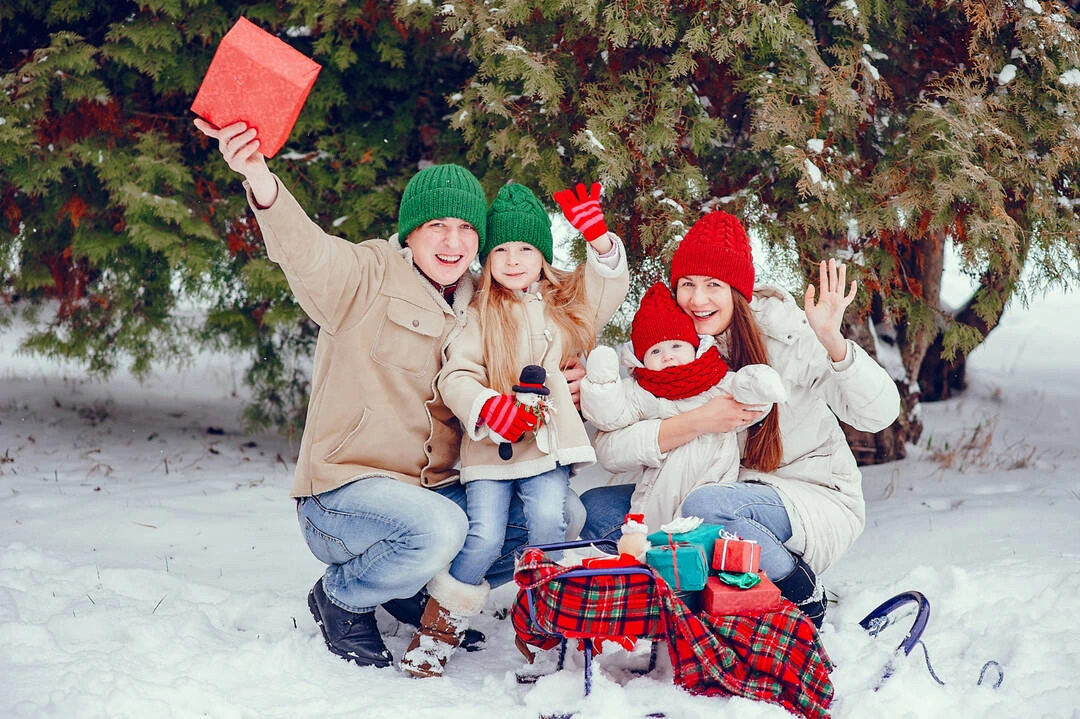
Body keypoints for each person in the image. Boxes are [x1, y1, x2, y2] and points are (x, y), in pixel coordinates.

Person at [192, 119, 587, 669]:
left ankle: (409, 594)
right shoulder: (365, 275)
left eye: (466, 230)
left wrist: (571, 377)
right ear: (410, 232)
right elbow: (305, 251)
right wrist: (259, 177)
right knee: (443, 527)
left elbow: (549, 333)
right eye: (437, 227)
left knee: (556, 512)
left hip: (434, 490)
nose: (453, 243)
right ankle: (342, 598)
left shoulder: (484, 302)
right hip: (344, 496)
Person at [579, 211, 901, 627]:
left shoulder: (784, 339)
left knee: (705, 508)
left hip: (807, 496)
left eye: (713, 285)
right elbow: (609, 445)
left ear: (737, 291)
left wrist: (833, 343)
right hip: (711, 490)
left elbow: (878, 414)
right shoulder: (668, 351)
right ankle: (687, 602)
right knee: (595, 512)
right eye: (687, 285)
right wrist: (698, 421)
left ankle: (801, 595)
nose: (698, 300)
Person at [399, 182, 629, 677]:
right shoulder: (478, 312)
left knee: (549, 523)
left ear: (542, 254)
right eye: (501, 248)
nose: (513, 259)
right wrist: (487, 406)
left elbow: (607, 286)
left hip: (545, 447)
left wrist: (601, 242)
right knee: (482, 536)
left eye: (525, 247)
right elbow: (455, 375)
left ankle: (545, 623)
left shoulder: (564, 306)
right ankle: (437, 632)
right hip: (491, 449)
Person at [580, 281, 786, 530]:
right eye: (655, 351)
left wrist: (757, 385)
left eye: (676, 346)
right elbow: (610, 416)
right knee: (653, 542)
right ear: (641, 359)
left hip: (714, 488)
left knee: (706, 534)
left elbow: (751, 403)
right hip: (659, 496)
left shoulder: (716, 379)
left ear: (695, 346)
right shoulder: (644, 390)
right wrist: (601, 385)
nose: (668, 356)